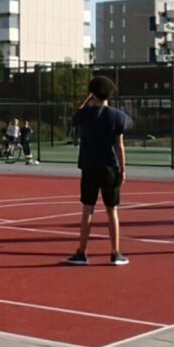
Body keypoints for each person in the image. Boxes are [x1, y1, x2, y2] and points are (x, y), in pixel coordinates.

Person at [67, 76, 128, 266]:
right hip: (110, 167)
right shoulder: (117, 116)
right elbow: (120, 146)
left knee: (87, 210)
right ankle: (115, 252)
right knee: (112, 211)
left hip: (89, 166)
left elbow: (75, 115)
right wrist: (123, 169)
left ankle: (82, 252)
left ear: (92, 94)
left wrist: (87, 98)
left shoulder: (83, 115)